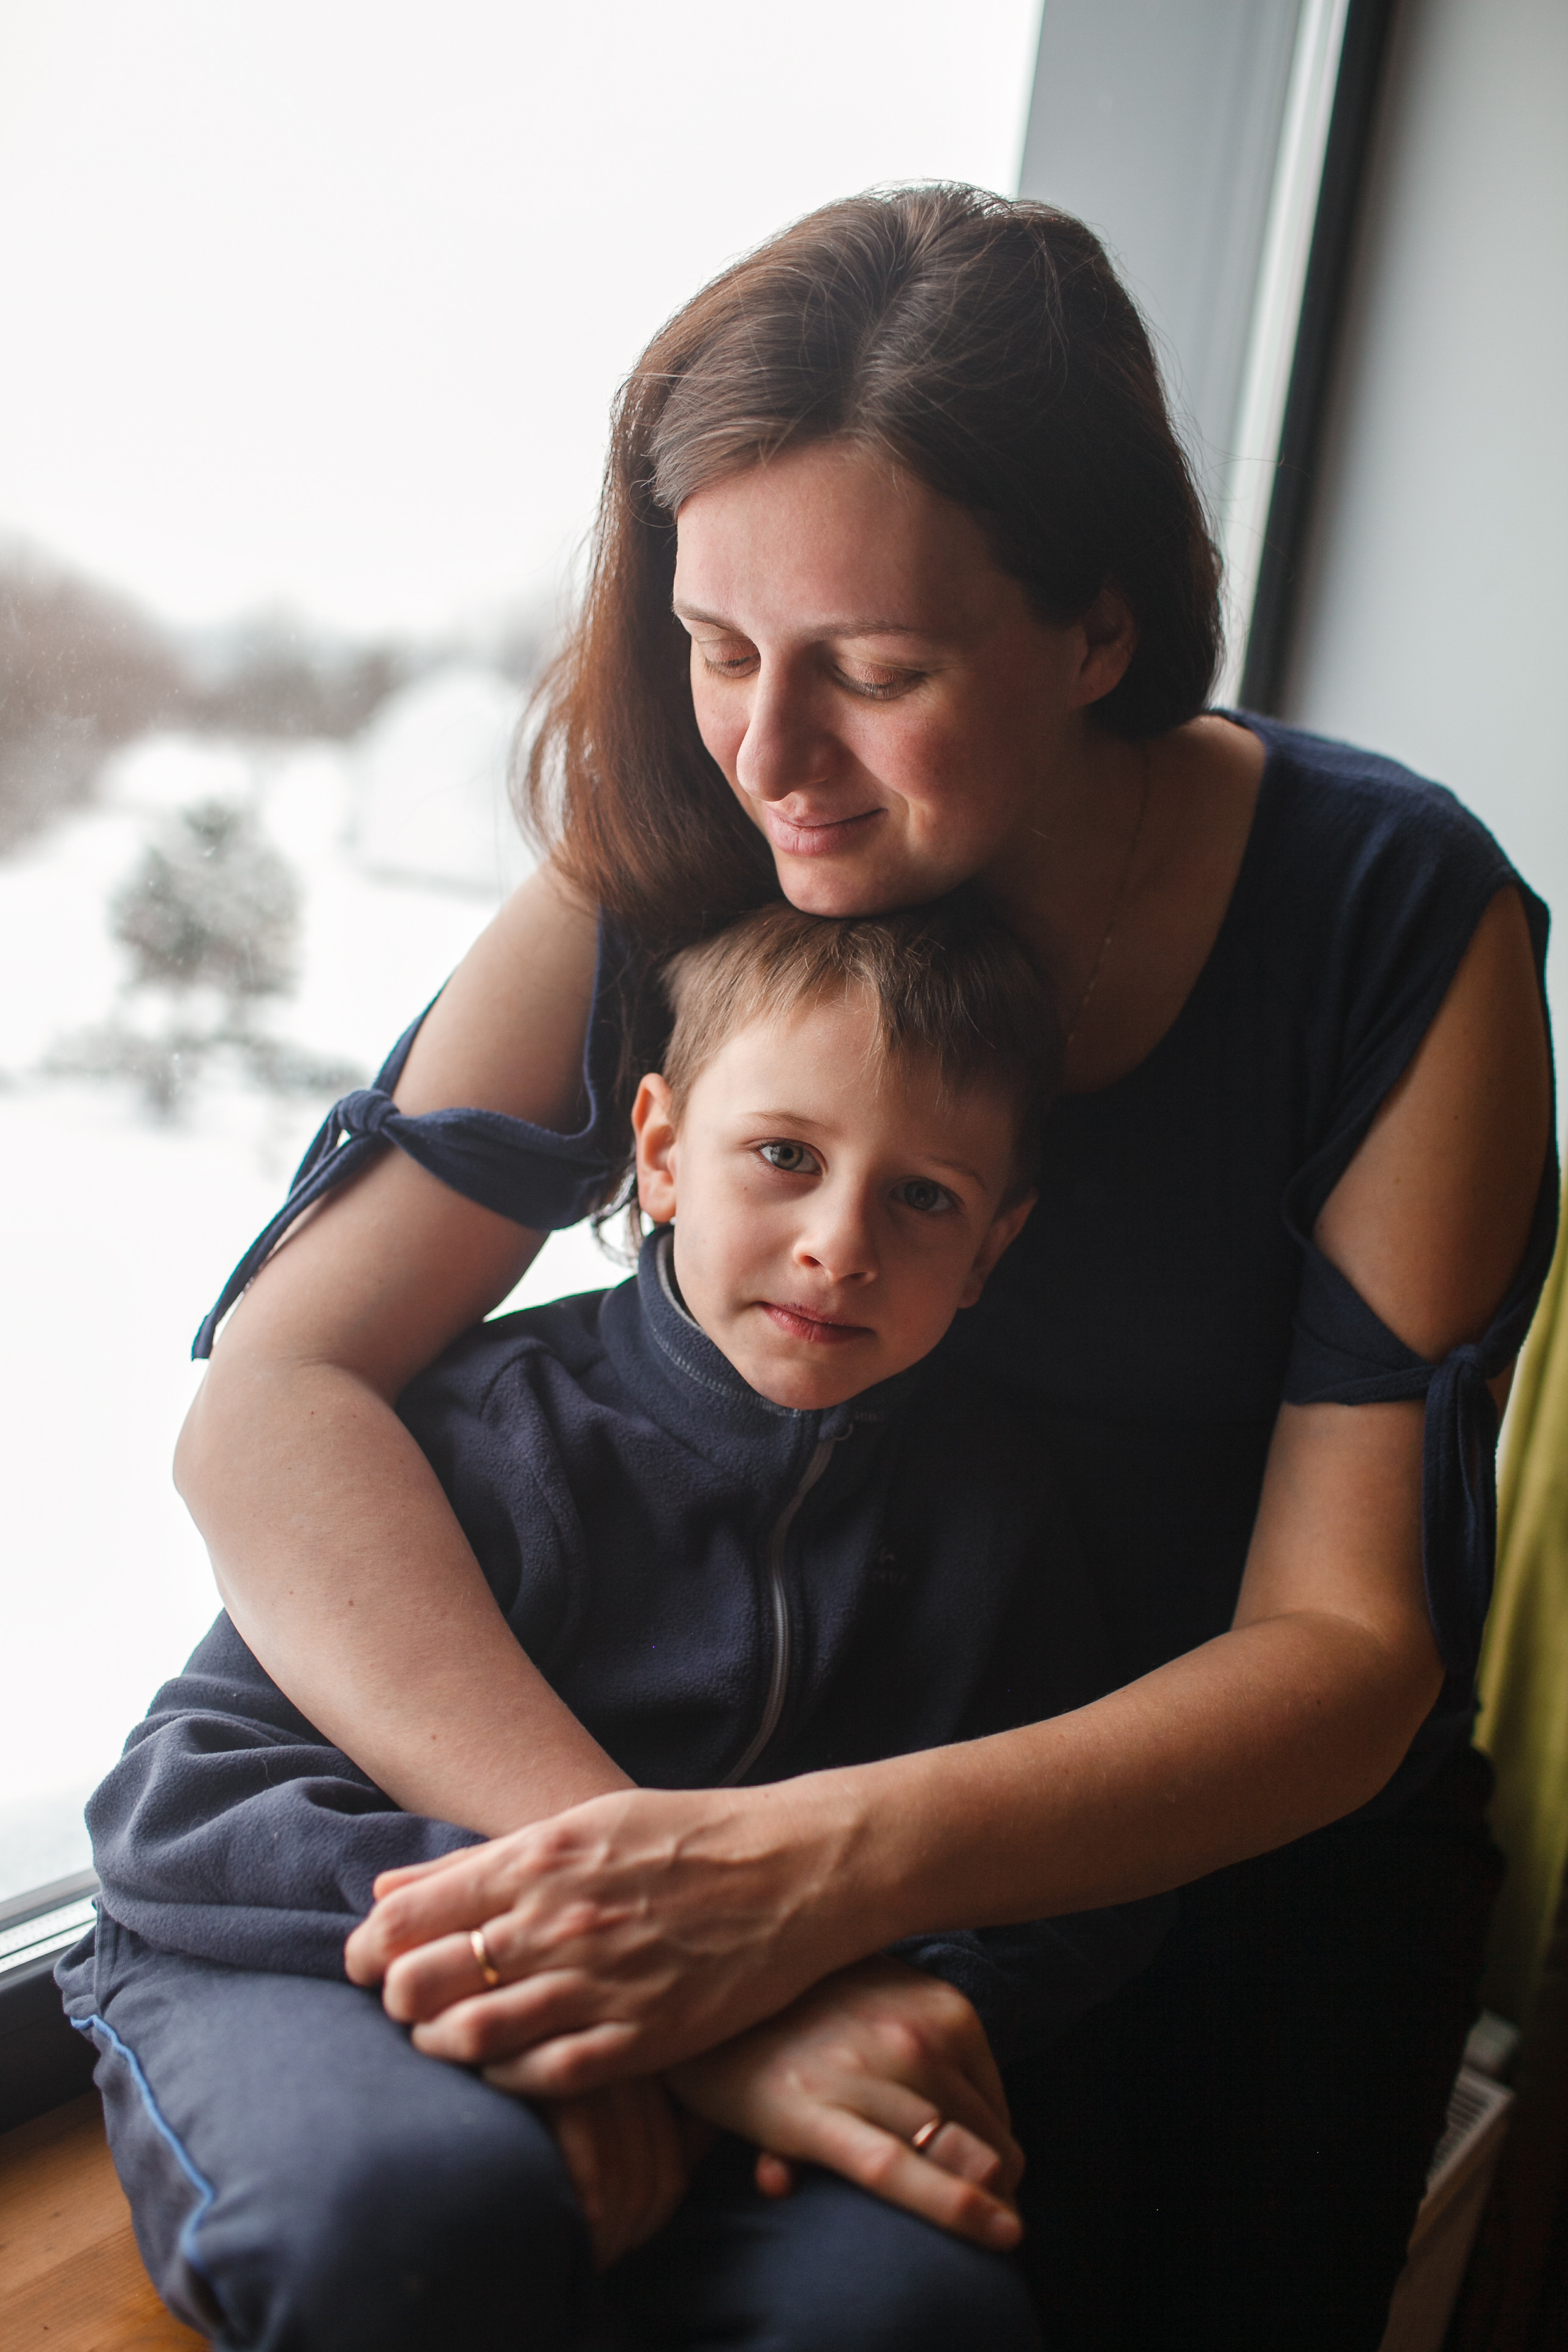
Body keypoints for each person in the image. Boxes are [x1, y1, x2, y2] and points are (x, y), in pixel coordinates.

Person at [152, 186, 1553, 2348]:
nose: (768, 757)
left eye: (873, 674)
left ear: (1099, 626)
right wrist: (665, 1919)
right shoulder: (685, 854)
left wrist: (807, 1890)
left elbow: (1350, 1650)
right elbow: (278, 1394)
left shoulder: (1400, 922)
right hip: (726, 1830)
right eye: (717, 649)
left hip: (1226, 1892)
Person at [62, 897, 1170, 2351]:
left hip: (775, 2012)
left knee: (913, 2315)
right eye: (783, 1156)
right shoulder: (483, 1428)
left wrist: (761, 2001)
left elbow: (1062, 1887)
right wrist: (591, 1985)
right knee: (410, 2224)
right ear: (657, 1152)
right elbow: (188, 1801)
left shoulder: (995, 1518)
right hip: (316, 1954)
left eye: (923, 1198)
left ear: (993, 1245)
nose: (838, 1246)